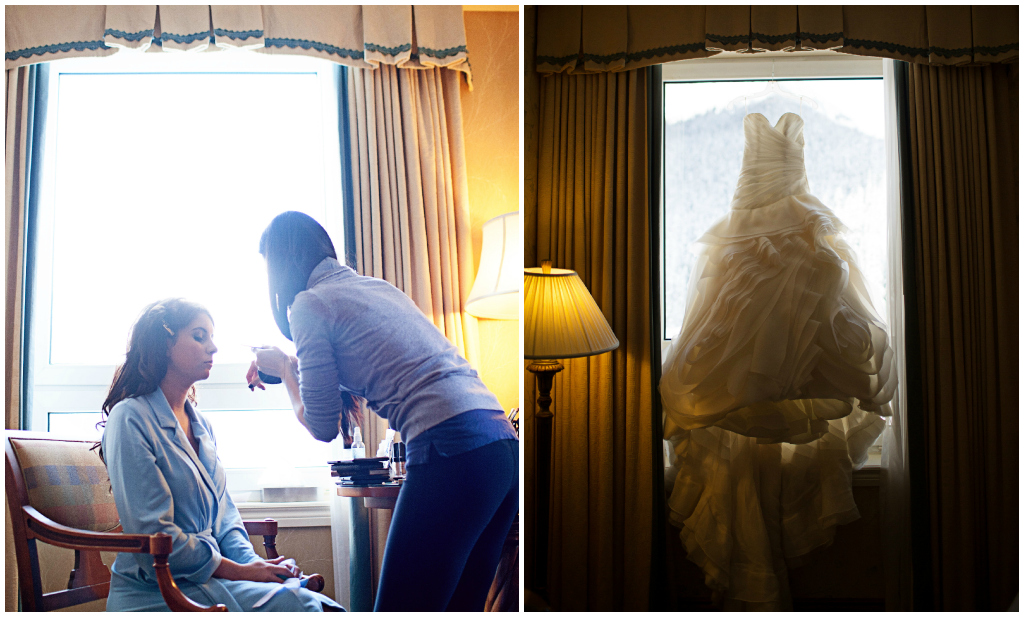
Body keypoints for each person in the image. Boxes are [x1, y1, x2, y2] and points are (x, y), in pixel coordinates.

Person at [247, 211, 519, 612]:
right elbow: (348, 367)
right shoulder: (375, 288)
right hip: (501, 449)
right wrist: (290, 364)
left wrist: (287, 369)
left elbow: (322, 426)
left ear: (280, 265)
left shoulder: (309, 304)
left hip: (452, 450)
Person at [99, 298, 343, 612]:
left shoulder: (202, 425)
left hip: (210, 580)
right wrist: (243, 572)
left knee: (312, 601)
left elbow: (226, 518)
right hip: (157, 590)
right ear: (164, 343)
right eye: (199, 336)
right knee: (301, 604)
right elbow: (155, 536)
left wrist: (258, 568)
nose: (213, 348)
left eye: (212, 337)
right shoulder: (130, 418)